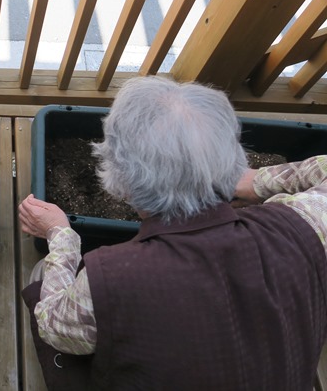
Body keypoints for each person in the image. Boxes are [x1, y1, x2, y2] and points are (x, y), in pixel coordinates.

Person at [19, 75, 327, 390]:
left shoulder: (112, 280)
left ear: (123, 181)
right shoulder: (304, 227)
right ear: (231, 157)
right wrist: (257, 181)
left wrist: (61, 234)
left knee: (44, 273)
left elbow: (54, 327)